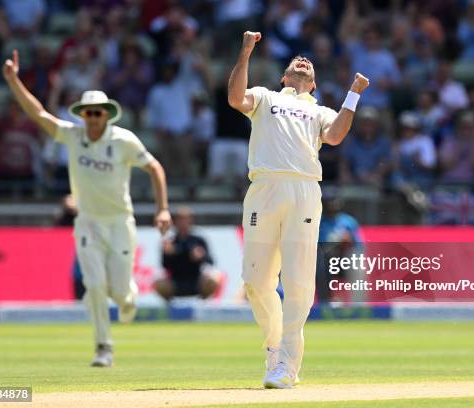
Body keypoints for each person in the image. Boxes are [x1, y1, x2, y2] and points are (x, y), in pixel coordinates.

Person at [2, 50, 172, 368]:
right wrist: (13, 81)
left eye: (98, 113)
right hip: (89, 222)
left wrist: (162, 209)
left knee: (120, 292)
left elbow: (155, 168)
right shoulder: (73, 135)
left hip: (121, 221)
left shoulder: (124, 140)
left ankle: (129, 296)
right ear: (82, 115)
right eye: (88, 113)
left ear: (107, 114)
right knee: (93, 284)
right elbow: (38, 114)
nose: (93, 118)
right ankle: (103, 347)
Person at [227, 31, 369, 389]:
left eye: (308, 64)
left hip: (304, 190)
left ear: (314, 82)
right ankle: (275, 346)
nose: (303, 61)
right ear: (284, 76)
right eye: (296, 62)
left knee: (298, 282)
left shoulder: (319, 110)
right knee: (255, 282)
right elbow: (234, 98)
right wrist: (245, 52)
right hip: (264, 188)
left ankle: (287, 365)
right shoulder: (265, 96)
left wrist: (353, 94)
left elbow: (335, 136)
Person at [154, 207, 219, 301]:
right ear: (175, 222)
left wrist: (201, 256)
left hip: (196, 281)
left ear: (191, 221)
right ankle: (171, 309)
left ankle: (203, 305)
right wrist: (168, 254)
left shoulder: (199, 240)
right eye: (180, 219)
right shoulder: (170, 242)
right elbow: (164, 265)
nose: (183, 223)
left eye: (185, 219)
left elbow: (211, 261)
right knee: (159, 284)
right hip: (175, 281)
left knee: (214, 280)